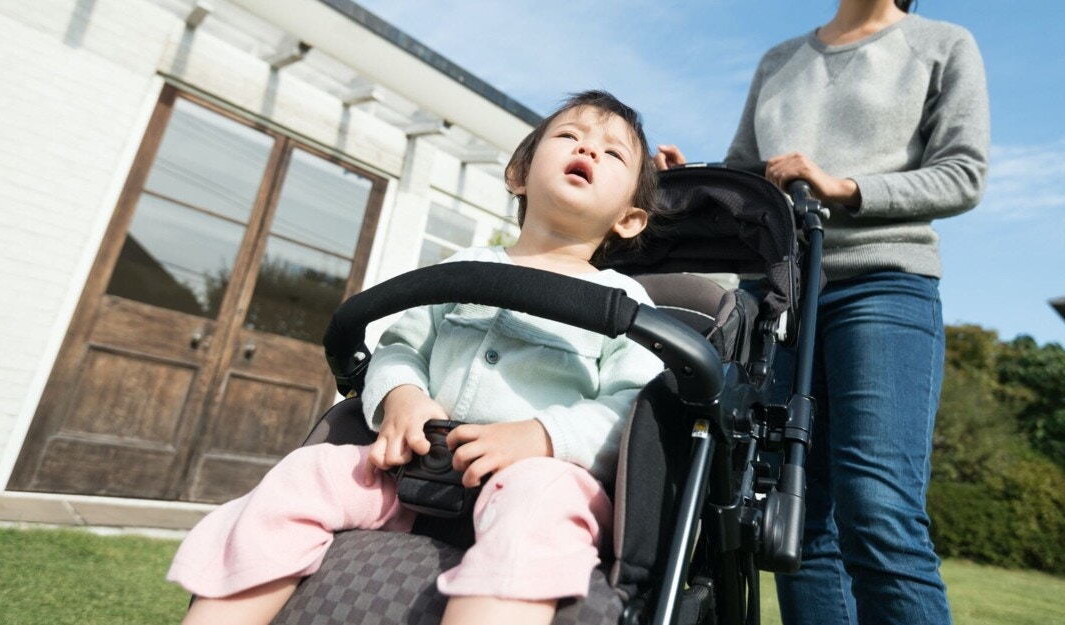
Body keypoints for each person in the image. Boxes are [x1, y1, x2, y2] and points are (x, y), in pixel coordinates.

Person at [167, 90, 665, 625]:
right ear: (519, 173)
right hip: (412, 467)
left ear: (630, 220)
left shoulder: (624, 304)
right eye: (570, 136)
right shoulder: (464, 267)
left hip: (541, 476)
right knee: (307, 472)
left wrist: (545, 436)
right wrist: (402, 397)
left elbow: (634, 408)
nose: (588, 150)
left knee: (538, 499)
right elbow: (401, 348)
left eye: (612, 154)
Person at [656, 1, 989, 623]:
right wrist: (687, 190)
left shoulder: (941, 44)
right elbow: (747, 183)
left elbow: (963, 174)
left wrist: (844, 187)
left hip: (881, 285)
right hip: (780, 298)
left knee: (877, 508)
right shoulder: (780, 59)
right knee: (792, 515)